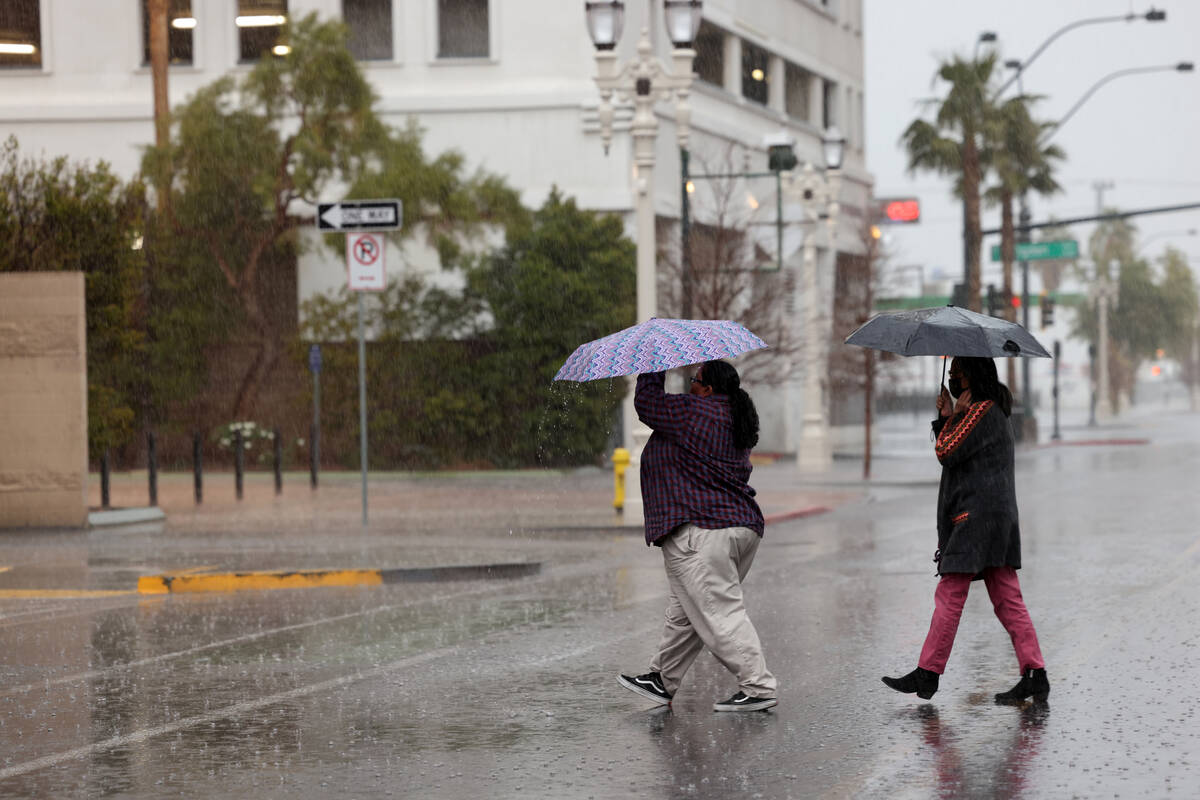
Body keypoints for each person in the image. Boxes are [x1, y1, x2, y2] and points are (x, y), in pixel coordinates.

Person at [882, 356, 1049, 703]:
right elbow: (959, 449)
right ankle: (1035, 673)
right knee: (1007, 598)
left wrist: (953, 415)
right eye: (952, 374)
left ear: (973, 376)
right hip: (993, 518)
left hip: (977, 518)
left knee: (951, 592)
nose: (954, 378)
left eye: (958, 373)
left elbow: (946, 449)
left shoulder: (981, 411)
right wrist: (947, 416)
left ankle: (928, 673)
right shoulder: (989, 411)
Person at [617, 361, 778, 712]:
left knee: (720, 613)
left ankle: (758, 685)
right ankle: (662, 678)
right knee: (687, 613)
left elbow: (647, 402)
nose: (690, 386)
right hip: (735, 527)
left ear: (707, 389)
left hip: (702, 530)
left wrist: (653, 361)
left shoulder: (695, 412)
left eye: (695, 381)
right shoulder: (732, 417)